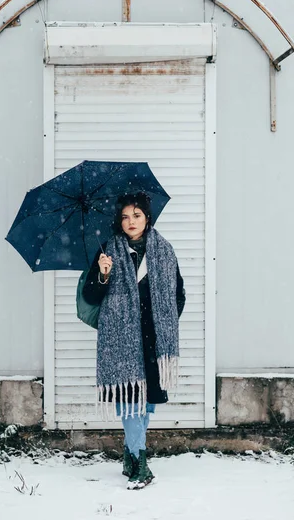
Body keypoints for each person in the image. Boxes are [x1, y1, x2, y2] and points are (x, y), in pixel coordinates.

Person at [83, 192, 186, 490]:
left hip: (154, 339)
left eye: (137, 215)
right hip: (121, 340)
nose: (131, 222)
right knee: (131, 402)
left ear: (147, 217)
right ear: (119, 220)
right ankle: (141, 462)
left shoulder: (164, 251)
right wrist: (103, 275)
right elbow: (91, 297)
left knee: (148, 402)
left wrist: (164, 321)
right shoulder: (108, 252)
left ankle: (130, 454)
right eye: (125, 216)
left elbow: (178, 294)